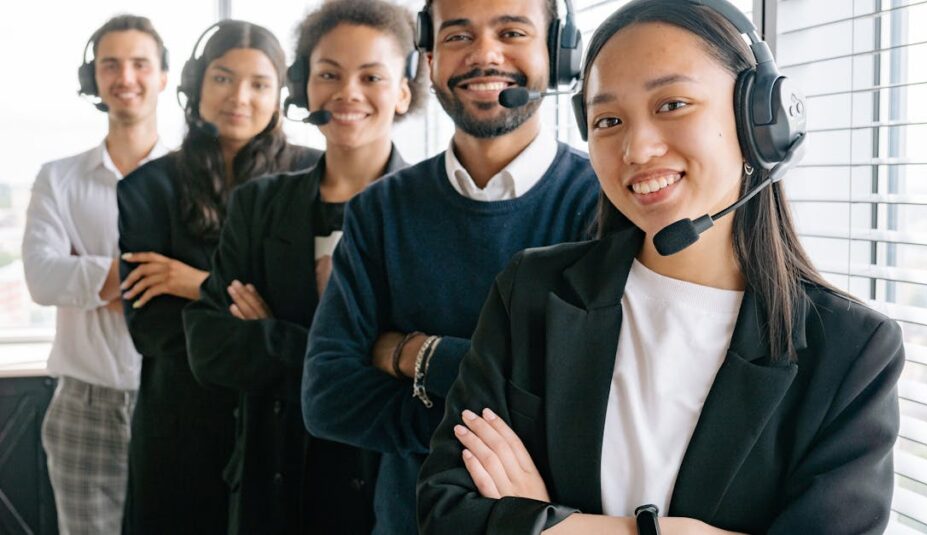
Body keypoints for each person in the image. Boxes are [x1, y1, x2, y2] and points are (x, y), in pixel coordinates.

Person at [417, 1, 905, 534]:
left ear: (760, 118)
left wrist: (547, 523)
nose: (637, 147)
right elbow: (447, 514)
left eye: (671, 104)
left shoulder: (851, 351)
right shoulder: (532, 292)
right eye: (608, 120)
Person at [300, 0, 599, 532]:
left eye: (511, 31)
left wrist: (413, 353)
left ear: (557, 52)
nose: (485, 54)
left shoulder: (604, 207)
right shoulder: (378, 210)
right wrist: (510, 413)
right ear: (430, 58)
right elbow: (328, 398)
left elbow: (588, 410)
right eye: (459, 36)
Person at [181, 1, 426, 533]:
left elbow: (433, 375)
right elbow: (210, 347)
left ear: (404, 90)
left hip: (384, 489)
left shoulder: (430, 213)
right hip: (273, 483)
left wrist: (273, 334)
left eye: (372, 76)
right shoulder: (258, 205)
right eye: (328, 74)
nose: (348, 93)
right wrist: (364, 352)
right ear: (304, 86)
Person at [116, 20, 320, 534]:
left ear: (282, 95)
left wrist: (195, 284)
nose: (239, 97)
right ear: (196, 84)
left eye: (259, 83)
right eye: (223, 78)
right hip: (179, 426)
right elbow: (153, 329)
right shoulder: (147, 187)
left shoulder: (315, 178)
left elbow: (318, 323)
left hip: (286, 426)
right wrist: (260, 320)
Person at [20, 15, 168, 534]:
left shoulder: (193, 177)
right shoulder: (58, 178)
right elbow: (41, 277)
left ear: (164, 78)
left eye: (139, 63)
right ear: (94, 79)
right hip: (84, 401)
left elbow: (209, 281)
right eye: (111, 64)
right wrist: (151, 278)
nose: (125, 76)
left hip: (175, 398)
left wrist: (90, 277)